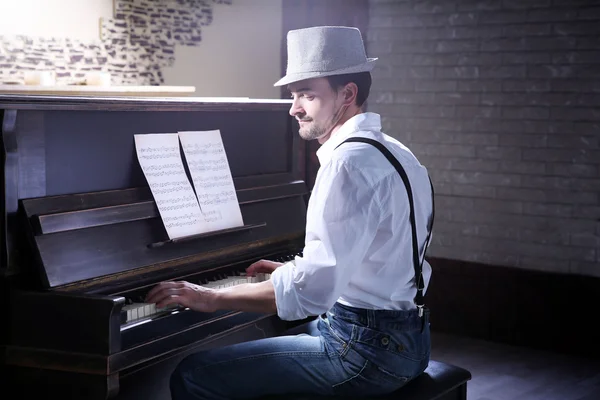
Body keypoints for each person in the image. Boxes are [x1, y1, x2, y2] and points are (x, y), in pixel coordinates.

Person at [146, 25, 435, 400]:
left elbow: (312, 293)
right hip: (406, 339)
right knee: (272, 336)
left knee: (193, 374)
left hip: (363, 352)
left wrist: (211, 297)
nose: (294, 108)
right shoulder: (395, 152)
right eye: (294, 95)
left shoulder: (347, 164)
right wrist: (291, 271)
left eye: (307, 95)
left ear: (347, 94)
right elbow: (375, 259)